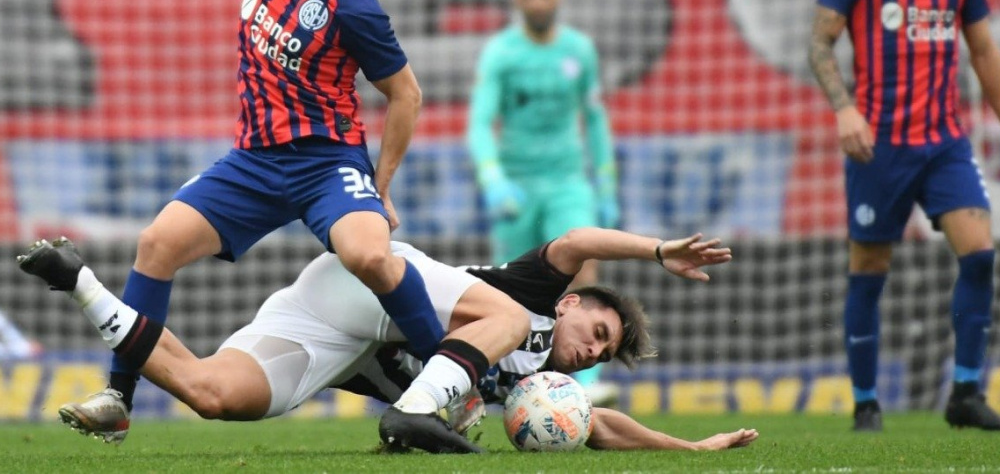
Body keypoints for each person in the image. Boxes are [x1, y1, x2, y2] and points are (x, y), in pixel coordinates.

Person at [58, 0, 447, 443]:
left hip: (328, 161)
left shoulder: (352, 6)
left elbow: (407, 93)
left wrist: (381, 186)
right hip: (255, 161)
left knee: (370, 255)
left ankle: (446, 383)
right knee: (156, 244)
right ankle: (118, 400)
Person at [18, 230, 757, 454]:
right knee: (494, 324)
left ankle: (79, 282)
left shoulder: (542, 388)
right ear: (569, 305)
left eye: (603, 351)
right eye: (595, 331)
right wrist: (658, 252)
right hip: (373, 281)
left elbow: (598, 424)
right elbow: (577, 239)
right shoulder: (531, 297)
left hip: (332, 323)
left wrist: (689, 451)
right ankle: (414, 416)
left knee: (216, 397)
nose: (592, 350)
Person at [808, 0, 1000, 432]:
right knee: (869, 269)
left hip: (944, 144)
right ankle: (866, 402)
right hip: (879, 147)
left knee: (981, 255)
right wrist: (845, 110)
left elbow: (983, 51)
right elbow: (820, 46)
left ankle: (966, 392)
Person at [467, 0, 619, 401]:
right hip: (516, 184)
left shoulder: (579, 50)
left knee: (584, 262)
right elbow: (480, 122)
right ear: (518, 0)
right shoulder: (502, 52)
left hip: (567, 180)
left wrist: (605, 182)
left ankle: (584, 385)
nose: (537, 2)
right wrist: (492, 178)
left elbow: (594, 118)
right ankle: (508, 381)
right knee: (509, 292)